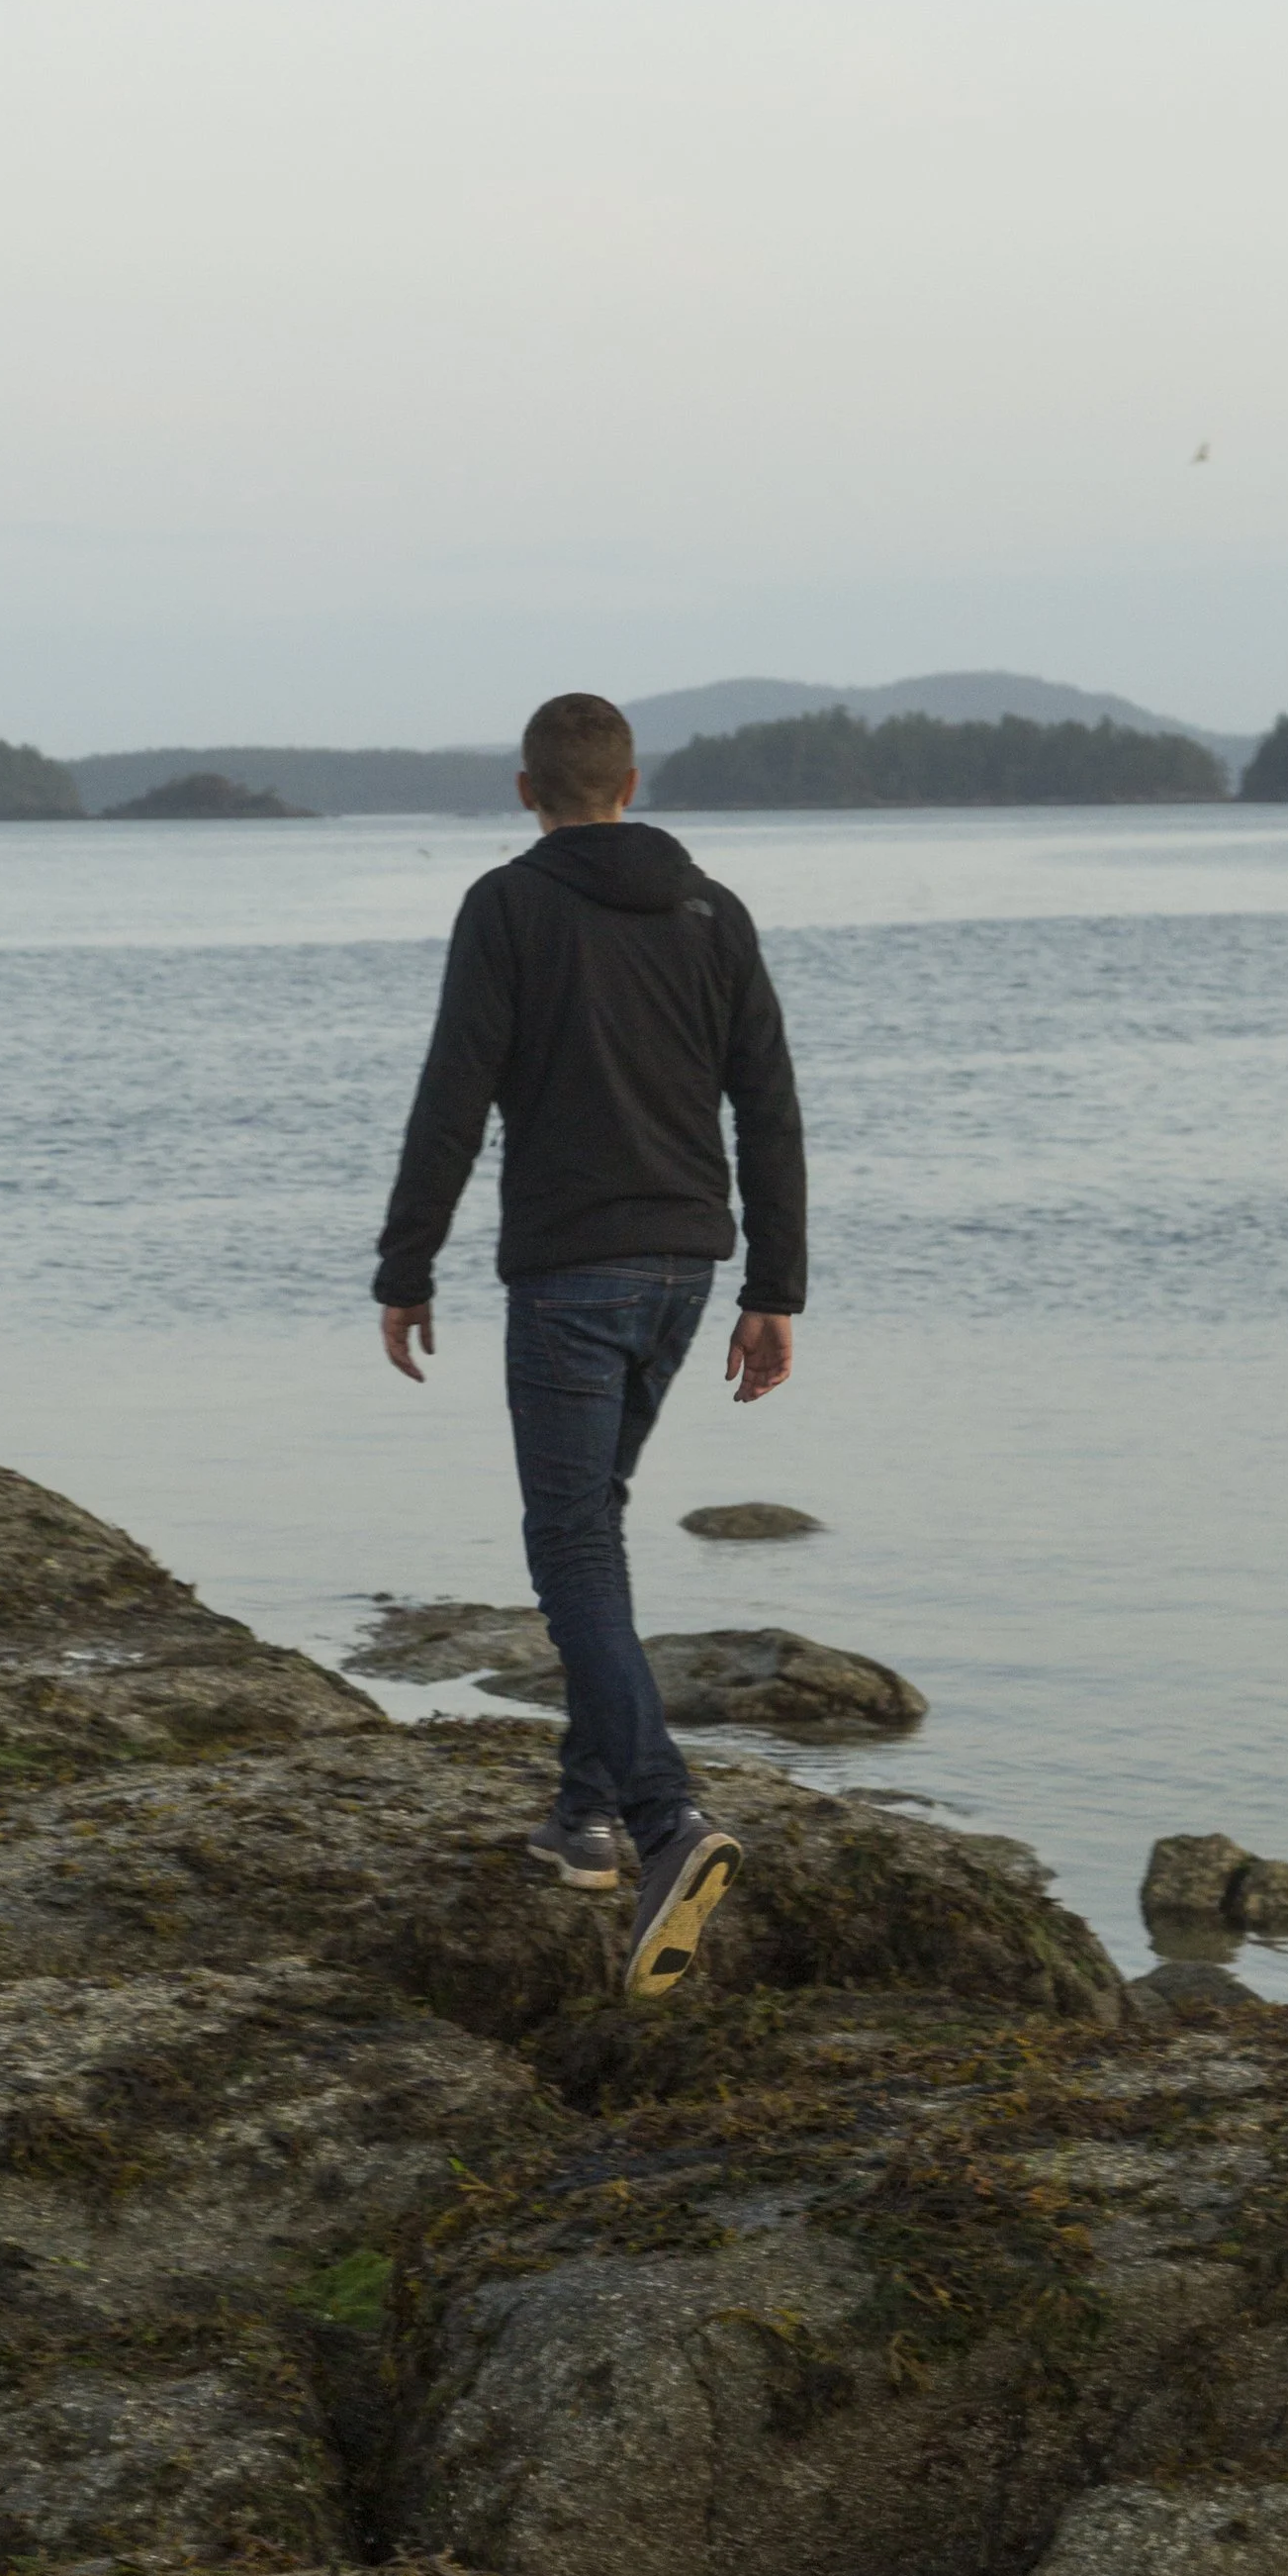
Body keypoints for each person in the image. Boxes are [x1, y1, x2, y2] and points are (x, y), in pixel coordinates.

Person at [373, 691, 805, 2000]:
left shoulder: (508, 908)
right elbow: (770, 1109)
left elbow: (455, 1093)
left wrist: (405, 1266)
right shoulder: (712, 912)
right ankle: (584, 1816)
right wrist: (774, 1289)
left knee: (566, 1538)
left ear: (528, 792)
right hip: (687, 1270)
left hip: (570, 1274)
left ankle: (665, 1818)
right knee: (594, 1524)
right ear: (633, 781)